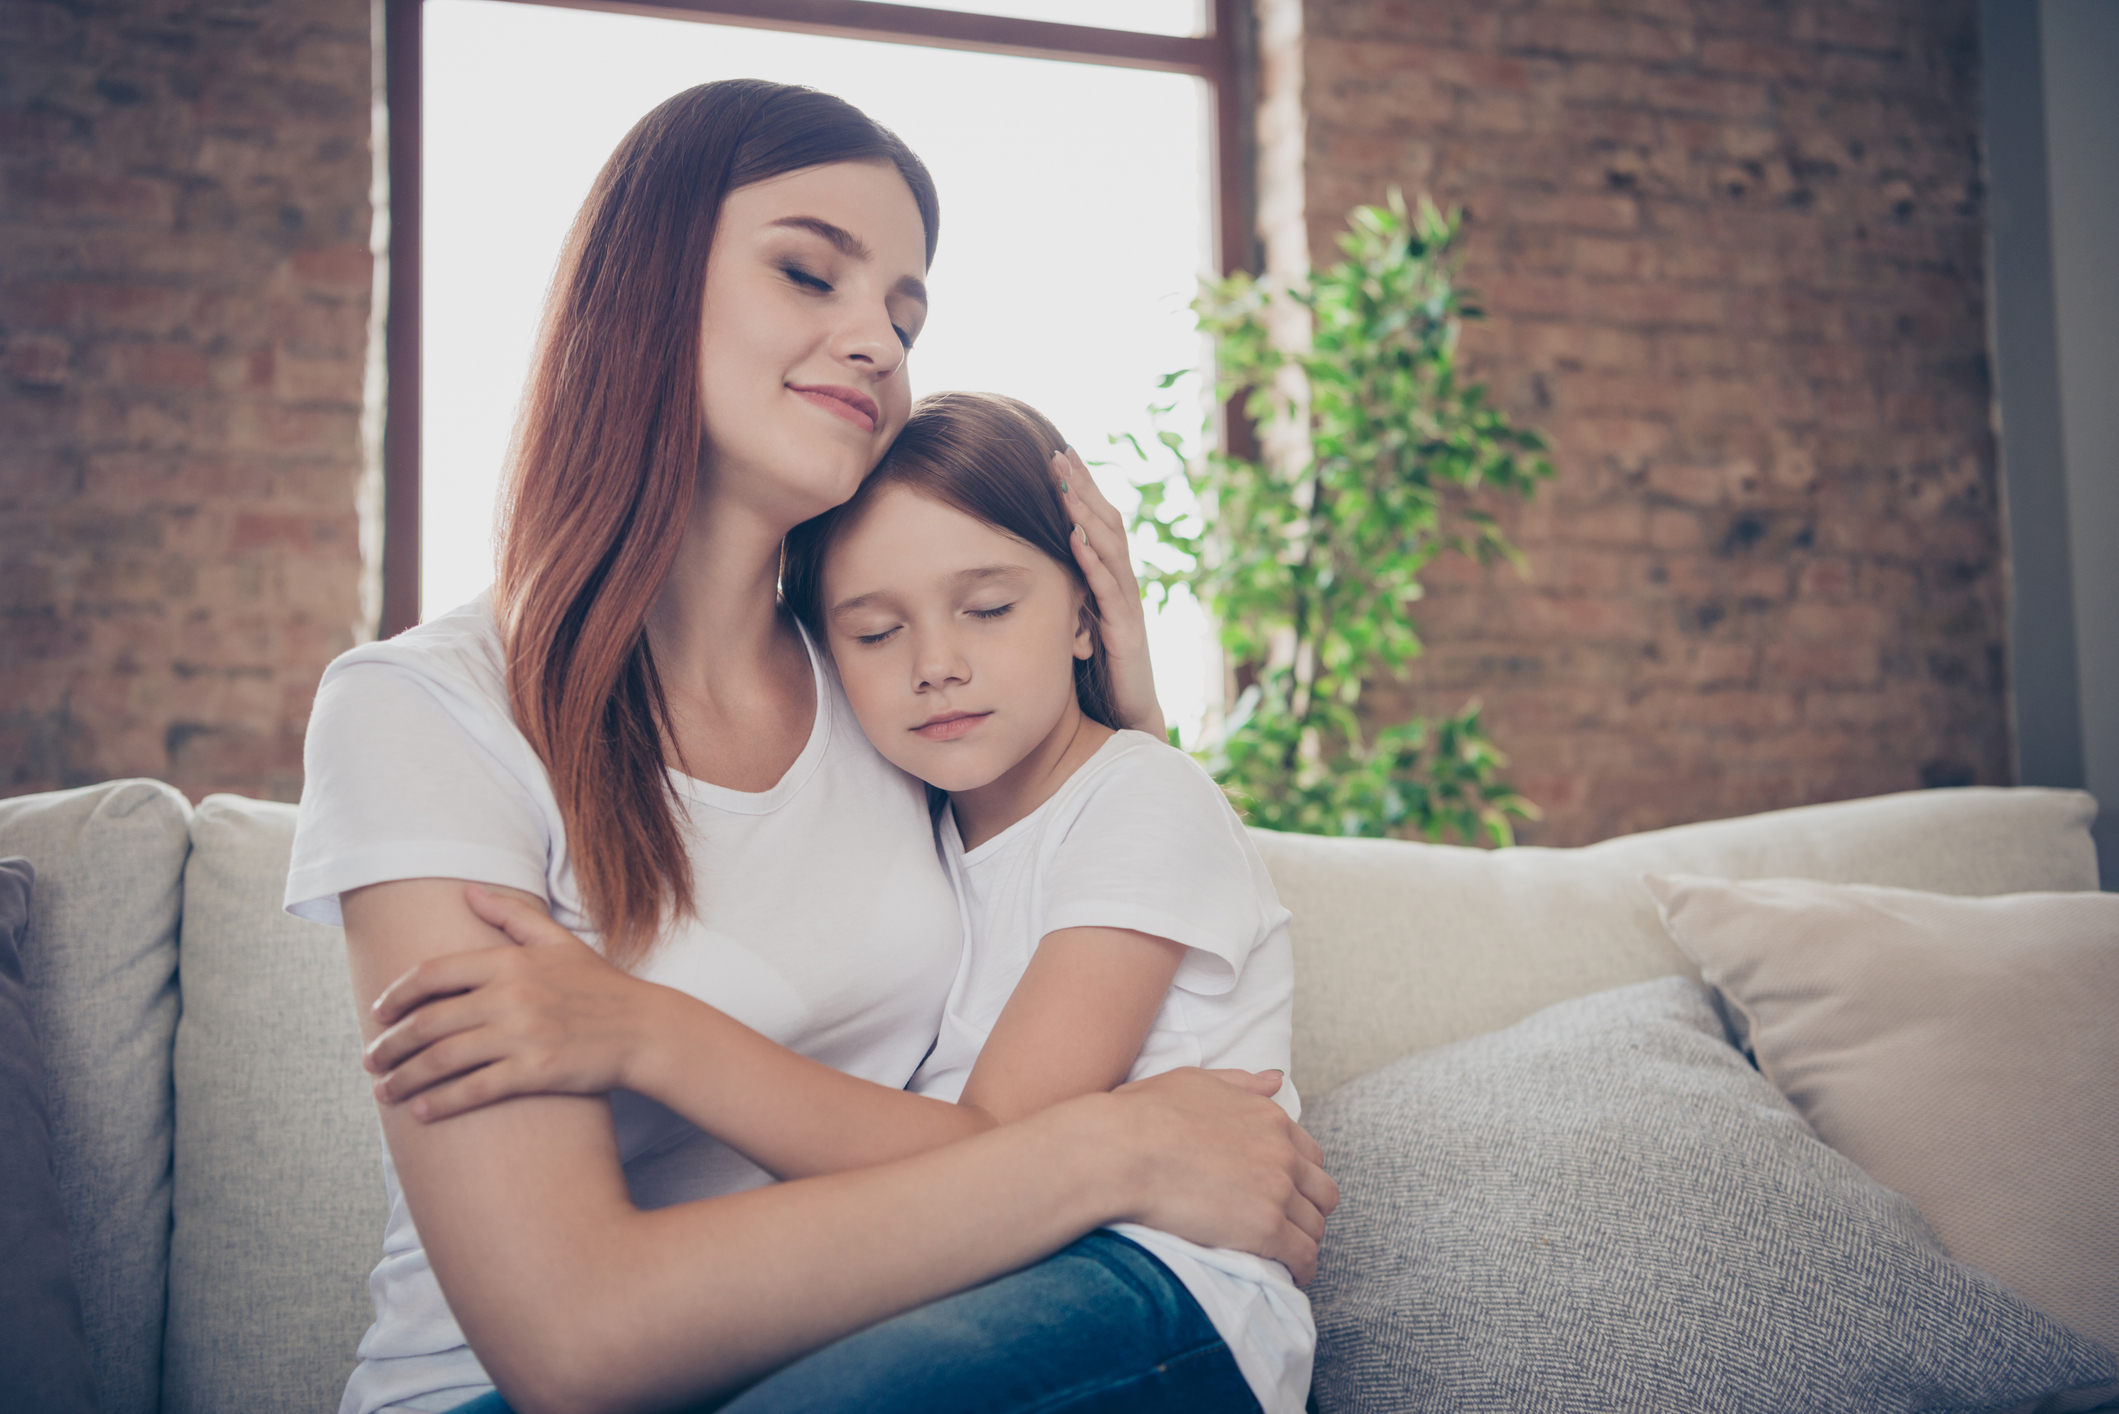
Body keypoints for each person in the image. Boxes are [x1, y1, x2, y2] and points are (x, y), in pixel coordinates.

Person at [285, 78, 1334, 1414]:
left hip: (885, 1338)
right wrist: (1117, 1151)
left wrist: (1118, 714)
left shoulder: (892, 703)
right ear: (646, 285)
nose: (878, 343)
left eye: (902, 312)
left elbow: (1084, 874)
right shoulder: (422, 711)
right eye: (807, 272)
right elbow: (573, 1339)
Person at [370, 392, 1315, 1413]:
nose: (936, 664)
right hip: (980, 1261)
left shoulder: (1146, 795)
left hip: (1155, 1284)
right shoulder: (924, 820)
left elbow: (999, 1136)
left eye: (989, 609)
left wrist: (646, 1032)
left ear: (1089, 610)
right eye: (873, 632)